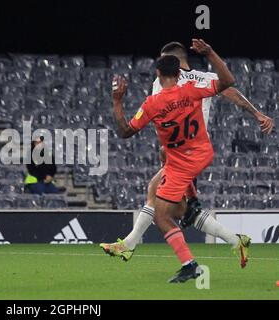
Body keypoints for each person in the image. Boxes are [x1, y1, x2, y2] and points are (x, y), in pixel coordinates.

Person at [103, 41, 274, 269]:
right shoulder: (201, 79)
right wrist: (257, 113)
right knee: (182, 210)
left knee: (158, 199)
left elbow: (160, 119)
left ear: (171, 60)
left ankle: (130, 246)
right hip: (192, 152)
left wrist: (256, 112)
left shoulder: (169, 82)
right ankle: (236, 240)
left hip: (184, 156)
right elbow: (228, 89)